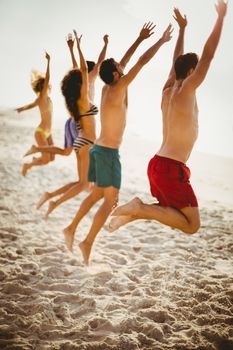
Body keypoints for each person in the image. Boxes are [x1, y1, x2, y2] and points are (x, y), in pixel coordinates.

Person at [109, 1, 228, 235]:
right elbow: (209, 55)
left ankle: (133, 214)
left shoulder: (168, 90)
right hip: (170, 168)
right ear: (192, 72)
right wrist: (221, 18)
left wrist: (182, 29)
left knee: (170, 210)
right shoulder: (187, 90)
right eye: (198, 70)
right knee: (192, 225)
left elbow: (176, 60)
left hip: (159, 165)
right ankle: (139, 208)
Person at [63, 22, 173, 264]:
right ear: (116, 73)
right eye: (119, 68)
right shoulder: (118, 86)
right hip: (107, 154)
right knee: (110, 201)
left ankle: (72, 229)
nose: (123, 68)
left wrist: (139, 37)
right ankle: (86, 241)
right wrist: (161, 41)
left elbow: (126, 60)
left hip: (101, 150)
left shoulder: (109, 87)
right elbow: (140, 62)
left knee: (96, 196)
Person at [35, 33, 109, 217]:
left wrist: (73, 48)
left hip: (82, 141)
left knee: (83, 183)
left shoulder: (74, 100)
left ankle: (52, 197)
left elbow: (79, 70)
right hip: (87, 142)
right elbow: (84, 68)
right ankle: (54, 202)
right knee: (86, 185)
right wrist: (77, 46)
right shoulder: (84, 97)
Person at [15, 52, 54, 176]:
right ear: (43, 87)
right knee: (47, 159)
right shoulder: (41, 97)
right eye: (45, 85)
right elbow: (48, 77)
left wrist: (22, 109)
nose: (47, 86)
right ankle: (28, 165)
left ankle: (32, 162)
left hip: (48, 133)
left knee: (51, 159)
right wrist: (49, 61)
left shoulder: (46, 98)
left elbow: (30, 106)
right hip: (41, 132)